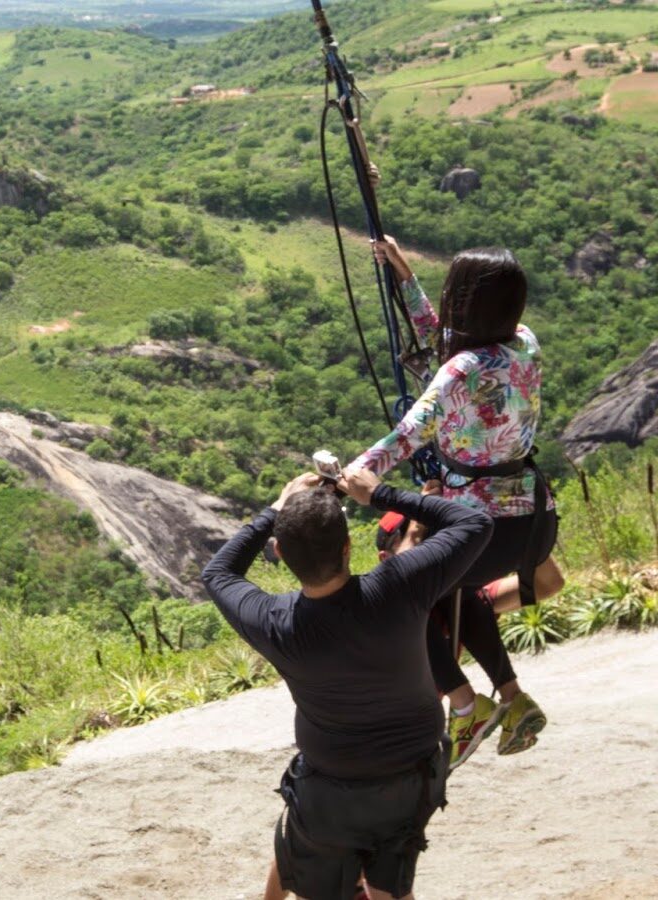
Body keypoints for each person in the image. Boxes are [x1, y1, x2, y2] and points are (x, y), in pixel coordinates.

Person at [201, 468, 493, 900]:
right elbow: (476, 523)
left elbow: (218, 573)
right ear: (348, 547)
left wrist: (276, 509)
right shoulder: (398, 586)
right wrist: (380, 493)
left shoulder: (271, 622)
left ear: (279, 553)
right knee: (390, 889)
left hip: (329, 787)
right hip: (412, 774)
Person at [349, 237, 563, 766]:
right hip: (535, 519)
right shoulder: (525, 343)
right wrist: (404, 277)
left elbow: (409, 432)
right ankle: (512, 698)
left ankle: (466, 706)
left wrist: (361, 475)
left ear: (463, 304)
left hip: (478, 529)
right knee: (453, 589)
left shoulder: (460, 370)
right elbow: (443, 342)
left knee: (401, 590)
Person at [375, 493, 562, 759]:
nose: (429, 548)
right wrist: (418, 527)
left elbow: (547, 584)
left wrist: (525, 535)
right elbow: (405, 581)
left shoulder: (463, 602)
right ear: (385, 559)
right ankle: (470, 706)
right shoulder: (381, 610)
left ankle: (499, 702)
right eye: (415, 538)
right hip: (389, 734)